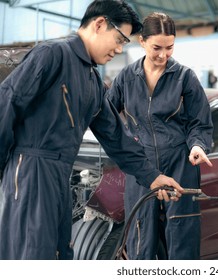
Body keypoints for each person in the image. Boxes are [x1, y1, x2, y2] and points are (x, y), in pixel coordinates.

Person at [0, 0, 183, 260]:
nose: (119, 49)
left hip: (60, 174)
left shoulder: (92, 80)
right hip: (30, 170)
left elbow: (115, 135)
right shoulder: (52, 56)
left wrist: (152, 176)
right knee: (31, 252)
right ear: (99, 24)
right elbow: (7, 102)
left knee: (60, 251)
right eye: (119, 39)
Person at [107, 12, 213, 260]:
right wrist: (125, 148)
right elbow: (107, 119)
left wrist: (197, 146)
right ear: (142, 41)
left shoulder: (185, 77)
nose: (163, 55)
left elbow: (201, 122)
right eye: (157, 47)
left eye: (170, 47)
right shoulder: (125, 78)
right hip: (141, 166)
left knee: (181, 234)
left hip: (180, 163)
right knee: (140, 234)